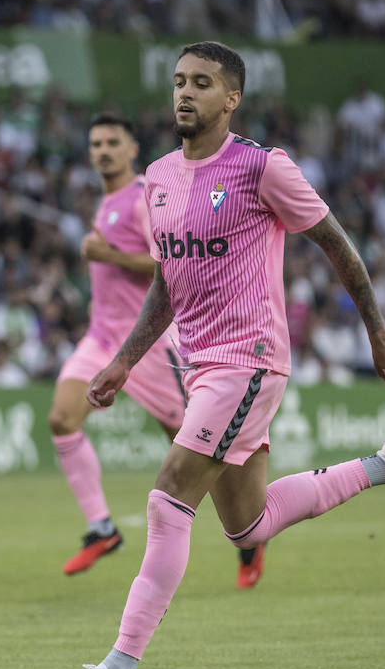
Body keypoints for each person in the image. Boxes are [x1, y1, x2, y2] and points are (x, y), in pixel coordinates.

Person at [35, 41, 385, 669]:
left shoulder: (261, 168)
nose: (184, 94)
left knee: (168, 498)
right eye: (177, 82)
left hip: (248, 361)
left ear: (231, 99)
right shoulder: (160, 176)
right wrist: (127, 358)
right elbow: (168, 281)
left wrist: (377, 328)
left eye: (201, 83)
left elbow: (337, 244)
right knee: (248, 526)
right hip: (200, 367)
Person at [51, 114, 266, 587]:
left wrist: (107, 255)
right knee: (62, 420)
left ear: (132, 148)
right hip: (101, 337)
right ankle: (102, 529)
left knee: (193, 450)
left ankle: (249, 532)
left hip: (145, 344)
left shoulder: (148, 194)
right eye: (95, 143)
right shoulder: (106, 202)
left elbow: (165, 261)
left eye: (112, 142)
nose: (103, 150)